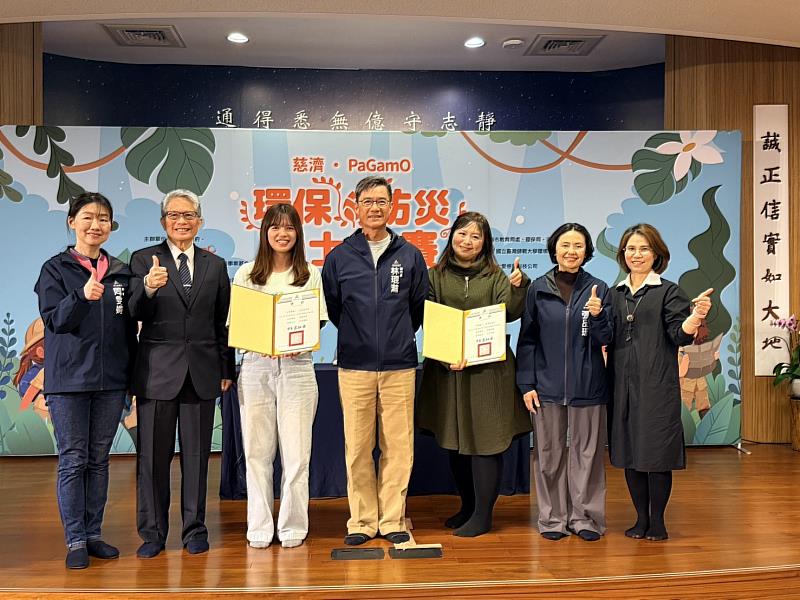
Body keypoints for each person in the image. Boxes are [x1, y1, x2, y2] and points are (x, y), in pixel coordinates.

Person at [322, 175, 428, 546]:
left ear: (392, 206)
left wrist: (395, 337)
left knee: (399, 447)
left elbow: (418, 310)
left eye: (382, 201)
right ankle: (363, 521)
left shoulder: (410, 255)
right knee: (357, 448)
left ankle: (392, 519)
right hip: (354, 366)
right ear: (355, 206)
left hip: (400, 365)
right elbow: (334, 309)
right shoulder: (339, 257)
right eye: (367, 201)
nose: (375, 208)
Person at [129, 189, 235, 558]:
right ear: (163, 222)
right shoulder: (144, 260)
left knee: (197, 456)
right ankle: (153, 533)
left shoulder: (214, 265)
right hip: (157, 372)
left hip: (203, 373)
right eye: (174, 215)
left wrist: (226, 368)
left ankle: (194, 529)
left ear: (200, 222)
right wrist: (147, 287)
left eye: (189, 215)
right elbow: (132, 310)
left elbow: (224, 322)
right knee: (153, 458)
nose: (182, 221)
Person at [35, 192, 137, 569]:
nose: (96, 225)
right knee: (73, 460)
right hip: (69, 382)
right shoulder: (56, 269)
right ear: (72, 222)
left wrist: (131, 379)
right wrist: (80, 295)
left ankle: (94, 534)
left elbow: (130, 331)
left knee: (99, 460)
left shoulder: (122, 272)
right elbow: (54, 320)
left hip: (111, 381)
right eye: (88, 217)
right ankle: (75, 539)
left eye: (104, 218)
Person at [417, 212, 531, 537]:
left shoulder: (496, 277)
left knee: (485, 442)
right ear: (451, 236)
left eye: (476, 236)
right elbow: (431, 316)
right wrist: (446, 355)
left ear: (485, 244)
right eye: (462, 234)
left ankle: (483, 515)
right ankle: (467, 506)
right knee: (455, 440)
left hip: (489, 373)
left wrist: (518, 288)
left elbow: (509, 313)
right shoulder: (433, 276)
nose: (467, 241)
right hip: (448, 370)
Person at [231, 203, 328, 550]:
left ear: (298, 233)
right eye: (275, 227)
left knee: (297, 454)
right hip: (255, 367)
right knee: (256, 452)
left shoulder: (310, 274)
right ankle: (259, 526)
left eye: (289, 228)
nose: (282, 234)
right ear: (264, 232)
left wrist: (294, 343)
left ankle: (291, 526)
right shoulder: (245, 274)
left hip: (298, 368)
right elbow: (238, 324)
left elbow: (317, 320)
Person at [608, 223, 712, 541]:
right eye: (631, 249)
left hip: (656, 385)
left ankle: (658, 521)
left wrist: (695, 317)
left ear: (657, 254)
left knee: (655, 453)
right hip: (620, 386)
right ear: (623, 254)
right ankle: (640, 518)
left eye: (644, 249)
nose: (636, 255)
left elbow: (679, 334)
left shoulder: (668, 291)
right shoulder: (614, 294)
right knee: (629, 452)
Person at [516, 223, 612, 542]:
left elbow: (607, 338)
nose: (571, 251)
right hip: (546, 386)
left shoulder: (598, 288)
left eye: (578, 246)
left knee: (587, 454)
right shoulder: (538, 289)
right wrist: (527, 383)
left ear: (587, 252)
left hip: (589, 386)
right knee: (548, 453)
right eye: (565, 245)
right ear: (554, 248)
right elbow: (527, 340)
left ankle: (584, 517)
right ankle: (552, 517)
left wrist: (598, 316)